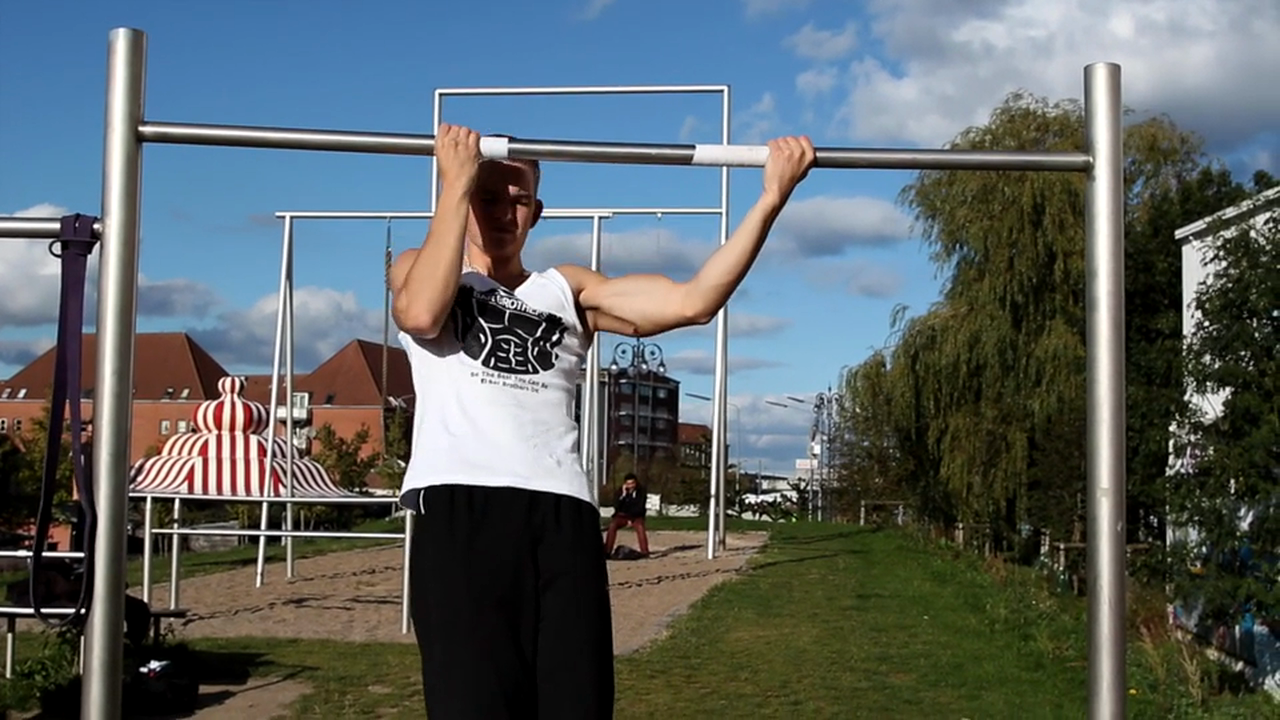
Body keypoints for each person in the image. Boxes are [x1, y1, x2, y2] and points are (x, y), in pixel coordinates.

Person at [389, 122, 816, 719]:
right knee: (475, 703)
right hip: (463, 506)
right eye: (489, 196)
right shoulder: (424, 267)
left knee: (577, 702)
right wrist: (456, 182)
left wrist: (770, 199)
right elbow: (421, 313)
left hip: (560, 511)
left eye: (518, 200)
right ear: (462, 196)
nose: (504, 212)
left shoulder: (567, 288)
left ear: (536, 211)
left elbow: (692, 301)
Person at [603, 472, 650, 557]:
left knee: (640, 527)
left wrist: (631, 519)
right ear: (625, 484)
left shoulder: (641, 492)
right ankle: (607, 551)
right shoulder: (620, 492)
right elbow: (617, 506)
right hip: (622, 516)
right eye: (628, 484)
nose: (631, 486)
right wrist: (623, 495)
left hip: (636, 516)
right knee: (613, 525)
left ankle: (645, 551)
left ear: (636, 483)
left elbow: (639, 507)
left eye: (632, 483)